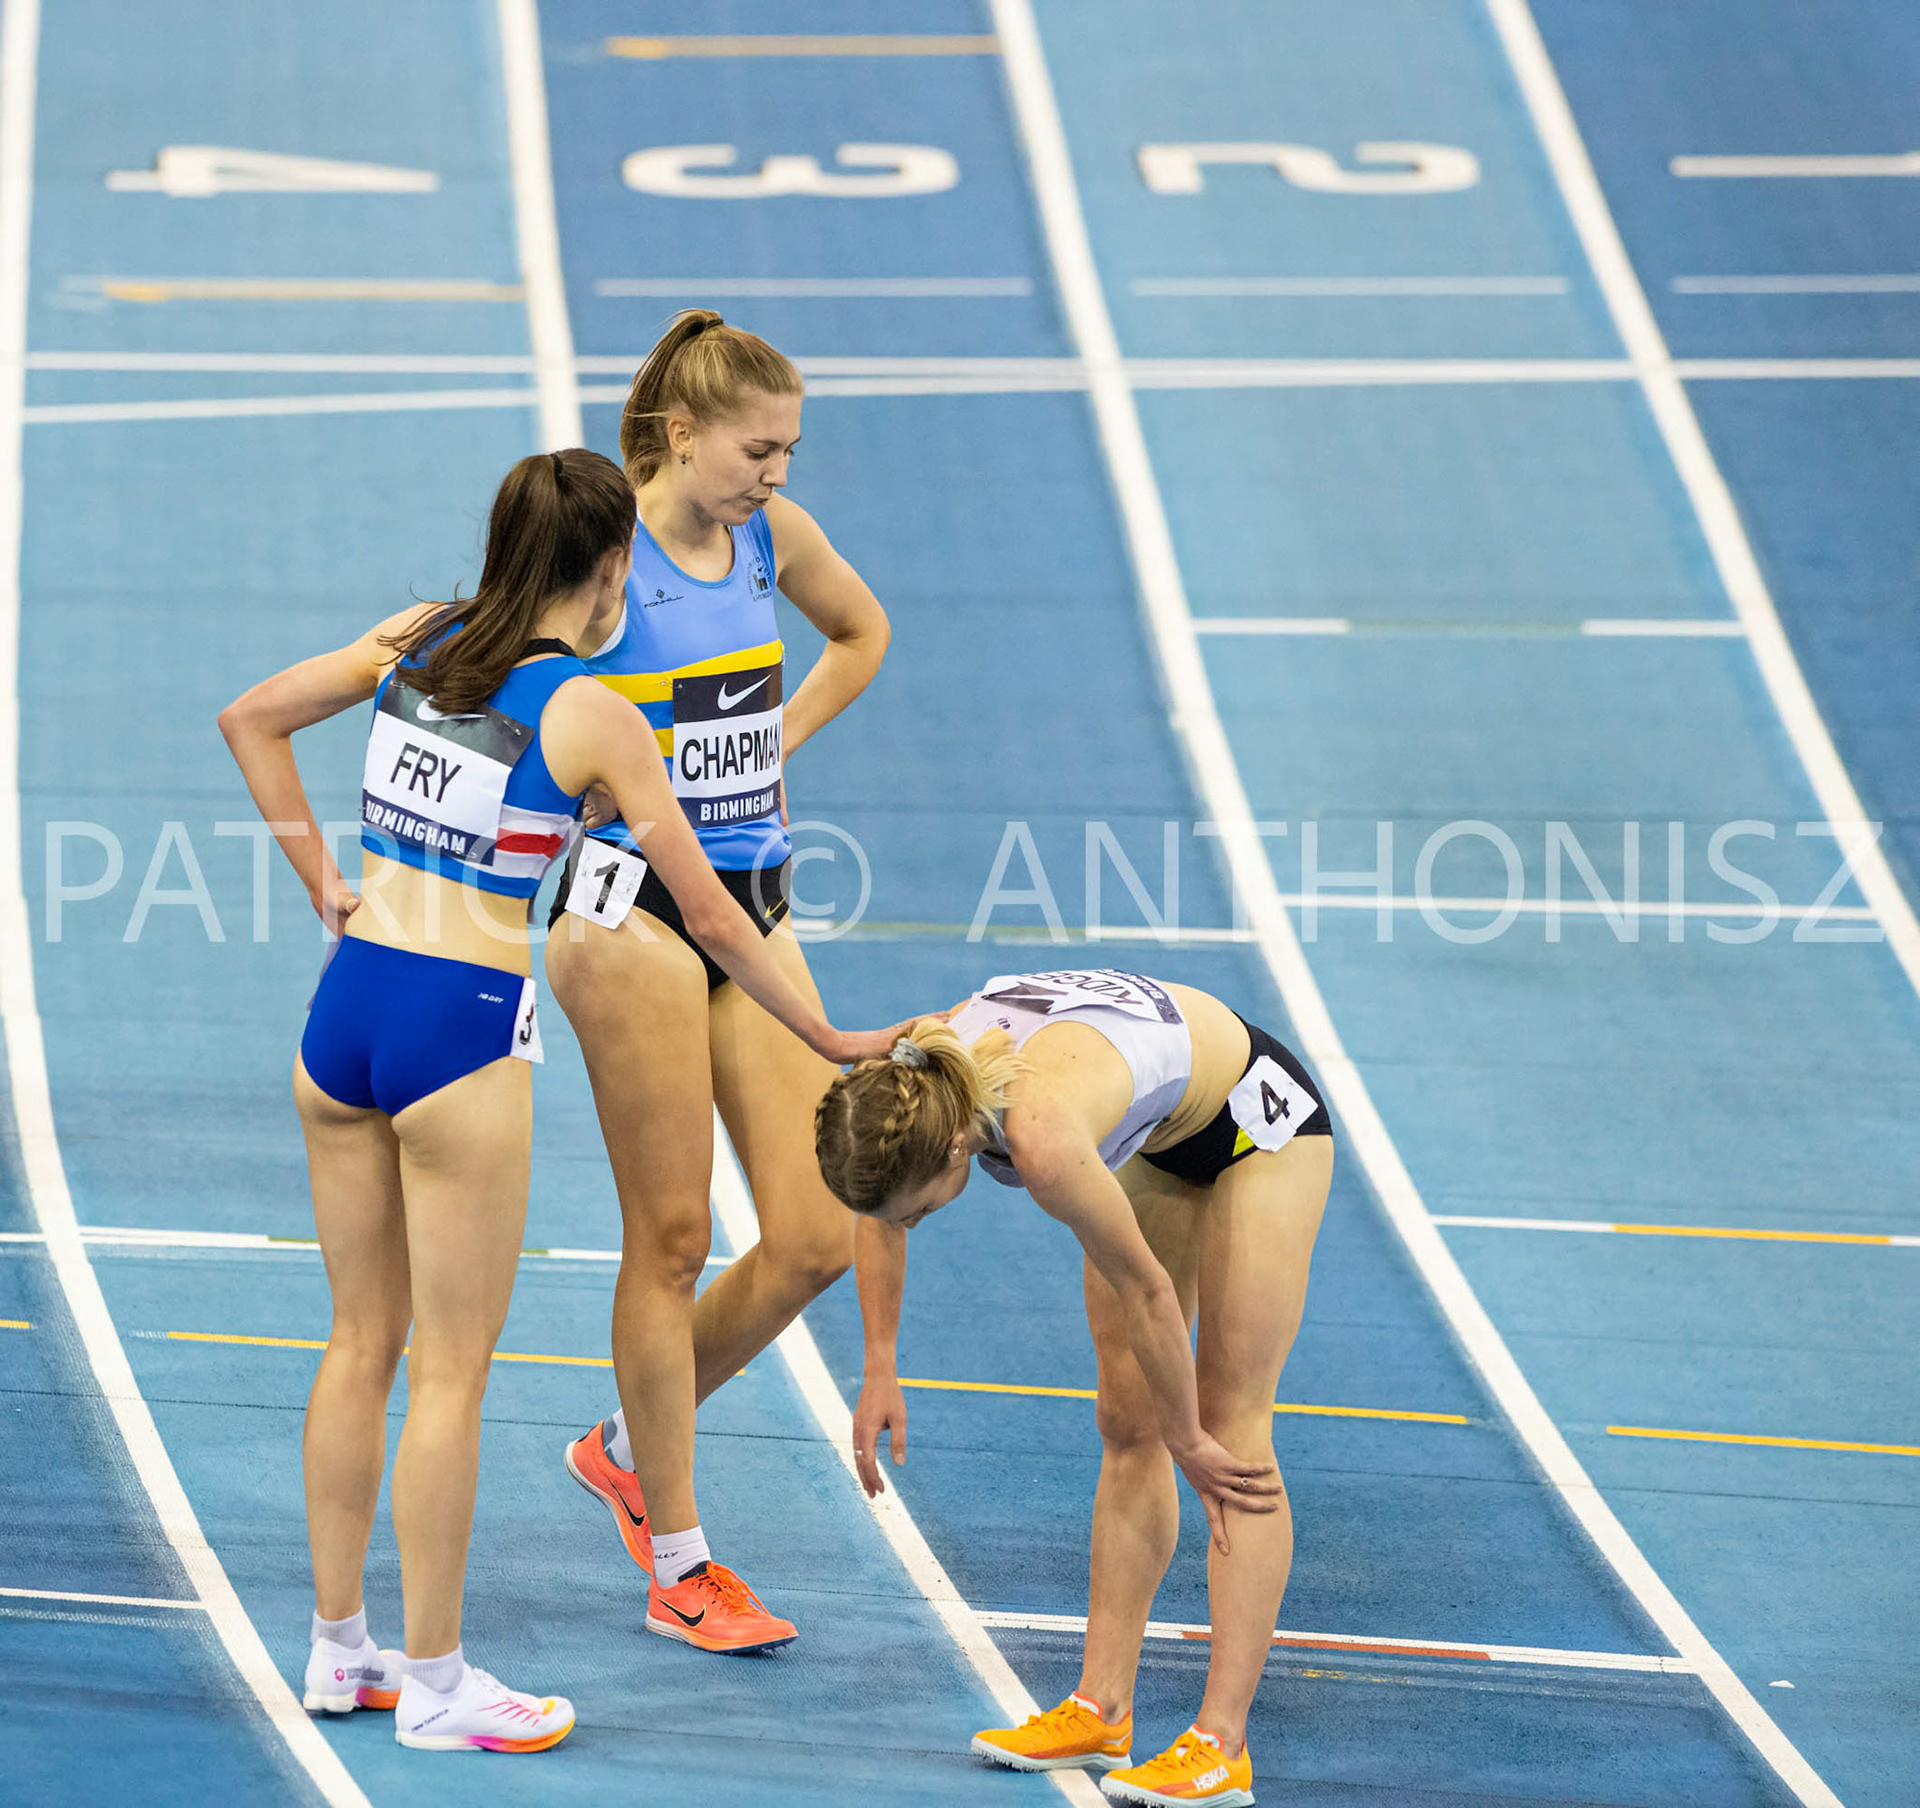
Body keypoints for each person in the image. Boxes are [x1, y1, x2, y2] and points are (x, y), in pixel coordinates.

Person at [218, 448, 895, 1753]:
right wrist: (819, 1027)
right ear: (605, 569)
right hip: (457, 1031)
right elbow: (706, 906)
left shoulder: (418, 637)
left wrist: (320, 876)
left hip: (344, 1008)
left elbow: (249, 717)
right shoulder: (589, 713)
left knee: (359, 1343)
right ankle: (436, 1684)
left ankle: (337, 1649)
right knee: (453, 1378)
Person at [548, 312, 890, 1653]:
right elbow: (501, 691)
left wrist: (772, 735)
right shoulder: (603, 565)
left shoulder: (768, 542)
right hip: (626, 918)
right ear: (680, 433)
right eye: (760, 449)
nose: (778, 474)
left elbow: (858, 636)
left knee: (817, 1236)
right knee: (674, 1237)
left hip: (751, 911)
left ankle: (628, 1438)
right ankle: (681, 1560)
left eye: (790, 450)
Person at [815, 969, 1335, 1808]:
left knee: (1230, 1430)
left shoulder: (1044, 1140)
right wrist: (880, 1365)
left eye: (920, 1212)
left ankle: (1222, 1743)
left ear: (957, 1149)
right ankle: (1102, 1706)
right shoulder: (913, 1081)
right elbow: (878, 1209)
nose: (909, 1226)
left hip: (1258, 1127)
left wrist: (1191, 1441)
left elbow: (1150, 1293)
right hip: (1160, 1133)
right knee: (1128, 1423)